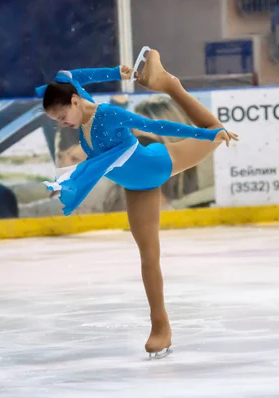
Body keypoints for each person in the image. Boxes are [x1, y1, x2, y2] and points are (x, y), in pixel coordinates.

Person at [35, 48, 239, 358]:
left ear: (75, 102)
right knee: (148, 255)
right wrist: (116, 73)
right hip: (135, 185)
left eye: (62, 117)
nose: (62, 124)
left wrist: (203, 135)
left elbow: (160, 127)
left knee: (213, 131)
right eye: (57, 121)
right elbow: (72, 76)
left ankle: (170, 85)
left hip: (159, 163)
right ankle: (161, 327)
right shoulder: (76, 98)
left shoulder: (108, 115)